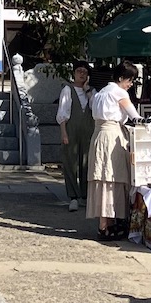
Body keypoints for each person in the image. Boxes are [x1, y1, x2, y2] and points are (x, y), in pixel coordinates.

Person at [87, 62, 140, 242]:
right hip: (111, 135)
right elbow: (134, 115)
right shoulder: (118, 92)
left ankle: (106, 223)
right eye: (130, 80)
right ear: (120, 78)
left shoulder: (100, 93)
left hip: (98, 134)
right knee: (111, 177)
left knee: (102, 177)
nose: (131, 84)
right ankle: (106, 226)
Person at [56, 62, 94, 211]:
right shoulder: (68, 90)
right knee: (70, 162)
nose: (82, 74)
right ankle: (73, 196)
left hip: (88, 130)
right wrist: (63, 132)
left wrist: (88, 90)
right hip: (71, 129)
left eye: (85, 72)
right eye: (79, 71)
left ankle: (85, 195)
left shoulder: (92, 92)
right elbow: (62, 112)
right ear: (74, 73)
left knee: (86, 162)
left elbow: (95, 107)